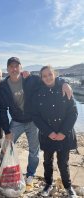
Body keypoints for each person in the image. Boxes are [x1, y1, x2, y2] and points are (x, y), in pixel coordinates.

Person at [0, 57, 73, 192]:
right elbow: (3, 110)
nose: (14, 69)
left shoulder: (30, 79)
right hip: (16, 121)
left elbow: (49, 80)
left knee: (34, 151)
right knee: (6, 147)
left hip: (33, 121)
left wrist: (64, 82)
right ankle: (5, 174)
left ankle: (30, 175)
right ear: (7, 69)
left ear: (21, 67)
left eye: (17, 66)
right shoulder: (3, 86)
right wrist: (7, 130)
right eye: (11, 67)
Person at [32, 65, 78, 198]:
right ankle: (48, 184)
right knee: (47, 161)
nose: (47, 78)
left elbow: (73, 112)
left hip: (65, 134)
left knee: (63, 162)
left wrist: (63, 132)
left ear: (55, 75)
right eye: (44, 76)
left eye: (50, 74)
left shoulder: (64, 88)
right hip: (48, 135)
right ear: (41, 78)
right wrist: (48, 132)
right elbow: (36, 116)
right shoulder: (38, 93)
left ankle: (68, 187)